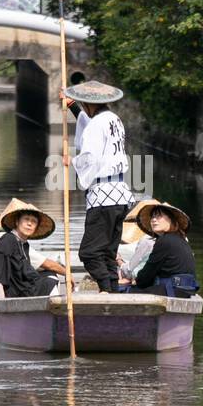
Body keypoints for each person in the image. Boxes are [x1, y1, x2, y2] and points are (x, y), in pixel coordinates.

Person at [64, 79, 134, 293]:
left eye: (82, 103)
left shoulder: (97, 124)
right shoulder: (114, 119)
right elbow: (88, 126)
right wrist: (72, 106)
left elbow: (90, 156)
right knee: (108, 251)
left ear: (89, 104)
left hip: (104, 196)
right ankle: (112, 289)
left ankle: (105, 286)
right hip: (120, 195)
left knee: (89, 252)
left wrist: (72, 161)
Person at [0, 198, 73, 298]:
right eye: (26, 219)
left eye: (34, 221)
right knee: (49, 282)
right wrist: (2, 303)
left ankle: (53, 306)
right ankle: (54, 308)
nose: (29, 224)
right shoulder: (8, 240)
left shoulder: (23, 244)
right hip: (10, 295)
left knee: (49, 275)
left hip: (20, 289)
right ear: (17, 222)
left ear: (36, 227)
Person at [124, 202, 199, 297]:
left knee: (123, 291)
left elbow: (147, 275)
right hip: (186, 290)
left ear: (171, 220)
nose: (154, 220)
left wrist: (136, 281)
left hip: (173, 290)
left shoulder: (165, 241)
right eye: (152, 217)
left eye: (159, 216)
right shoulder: (181, 240)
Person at [116, 197, 157, 284]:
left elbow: (130, 270)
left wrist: (119, 261)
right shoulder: (177, 239)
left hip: (138, 274)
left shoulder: (147, 241)